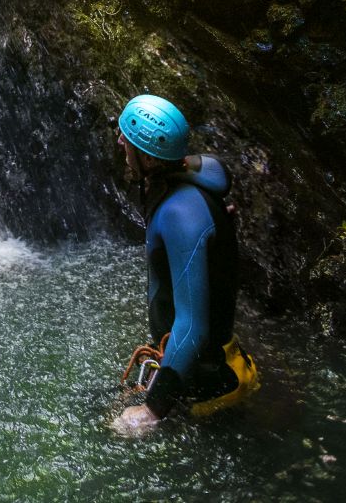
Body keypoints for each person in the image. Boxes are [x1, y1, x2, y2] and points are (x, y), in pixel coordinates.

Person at [111, 94, 259, 437]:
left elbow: (192, 326)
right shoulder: (192, 176)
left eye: (128, 138)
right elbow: (216, 172)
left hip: (211, 381)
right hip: (206, 362)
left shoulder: (180, 214)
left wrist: (151, 410)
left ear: (149, 156)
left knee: (105, 433)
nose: (120, 141)